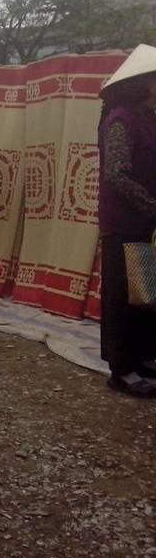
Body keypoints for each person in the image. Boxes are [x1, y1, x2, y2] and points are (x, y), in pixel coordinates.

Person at [98, 43, 156, 398]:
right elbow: (116, 175)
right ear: (145, 83)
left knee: (145, 294)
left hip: (144, 225)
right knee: (123, 297)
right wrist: (152, 205)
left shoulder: (148, 117)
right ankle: (121, 370)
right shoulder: (121, 119)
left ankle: (142, 359)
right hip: (123, 224)